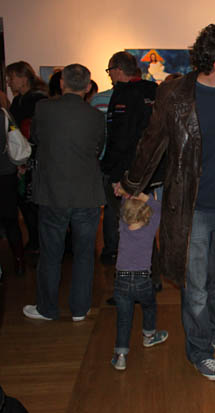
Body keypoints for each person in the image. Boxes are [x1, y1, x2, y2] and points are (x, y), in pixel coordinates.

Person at [117, 23, 215, 380]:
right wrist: (132, 183)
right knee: (195, 287)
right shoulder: (175, 94)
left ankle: (210, 332)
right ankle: (199, 352)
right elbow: (152, 142)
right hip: (190, 208)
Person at [22, 63, 105, 321]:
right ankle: (80, 309)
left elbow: (35, 138)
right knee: (84, 254)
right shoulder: (96, 116)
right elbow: (99, 147)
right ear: (88, 87)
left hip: (53, 191)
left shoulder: (43, 108)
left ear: (61, 83)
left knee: (50, 253)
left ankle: (47, 308)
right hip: (87, 192)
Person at [100, 52, 157, 266]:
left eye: (110, 71)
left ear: (118, 70)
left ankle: (130, 275)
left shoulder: (123, 94)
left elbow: (120, 137)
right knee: (145, 222)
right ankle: (151, 272)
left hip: (126, 171)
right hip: (151, 169)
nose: (109, 75)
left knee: (128, 223)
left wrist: (112, 171)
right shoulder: (153, 90)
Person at [111, 190, 168, 371]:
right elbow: (159, 208)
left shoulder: (123, 226)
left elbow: (123, 204)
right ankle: (149, 336)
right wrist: (144, 197)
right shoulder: (149, 228)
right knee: (149, 307)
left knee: (124, 319)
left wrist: (125, 193)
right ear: (146, 215)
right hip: (143, 279)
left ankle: (121, 356)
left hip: (121, 280)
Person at [6, 61, 48, 253]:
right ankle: (35, 240)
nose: (9, 82)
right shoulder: (20, 101)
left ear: (23, 78)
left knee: (33, 204)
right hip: (24, 158)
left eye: (11, 77)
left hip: (34, 159)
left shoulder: (36, 100)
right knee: (27, 203)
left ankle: (39, 242)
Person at [0, 108, 25, 276]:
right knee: (11, 221)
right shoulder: (3, 115)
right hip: (6, 173)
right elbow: (15, 137)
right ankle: (19, 261)